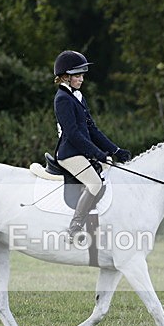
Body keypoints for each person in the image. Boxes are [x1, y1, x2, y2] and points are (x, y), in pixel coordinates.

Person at [53, 50, 131, 240]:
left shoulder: (78, 97)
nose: (81, 79)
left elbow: (92, 130)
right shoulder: (62, 99)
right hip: (69, 153)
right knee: (94, 183)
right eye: (77, 76)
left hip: (82, 150)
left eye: (82, 75)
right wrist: (97, 153)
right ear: (65, 77)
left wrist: (115, 150)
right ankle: (74, 228)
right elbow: (72, 134)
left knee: (112, 171)